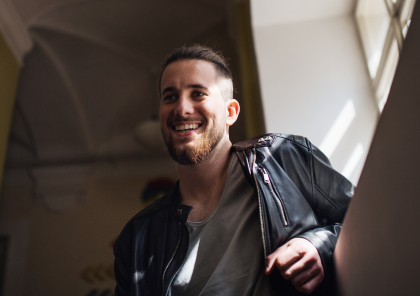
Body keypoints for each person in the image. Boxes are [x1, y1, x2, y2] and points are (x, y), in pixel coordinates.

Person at [114, 45, 354, 296]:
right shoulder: (136, 239)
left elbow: (360, 219)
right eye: (170, 97)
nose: (182, 108)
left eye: (197, 93)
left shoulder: (283, 156)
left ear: (230, 112)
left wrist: (316, 244)